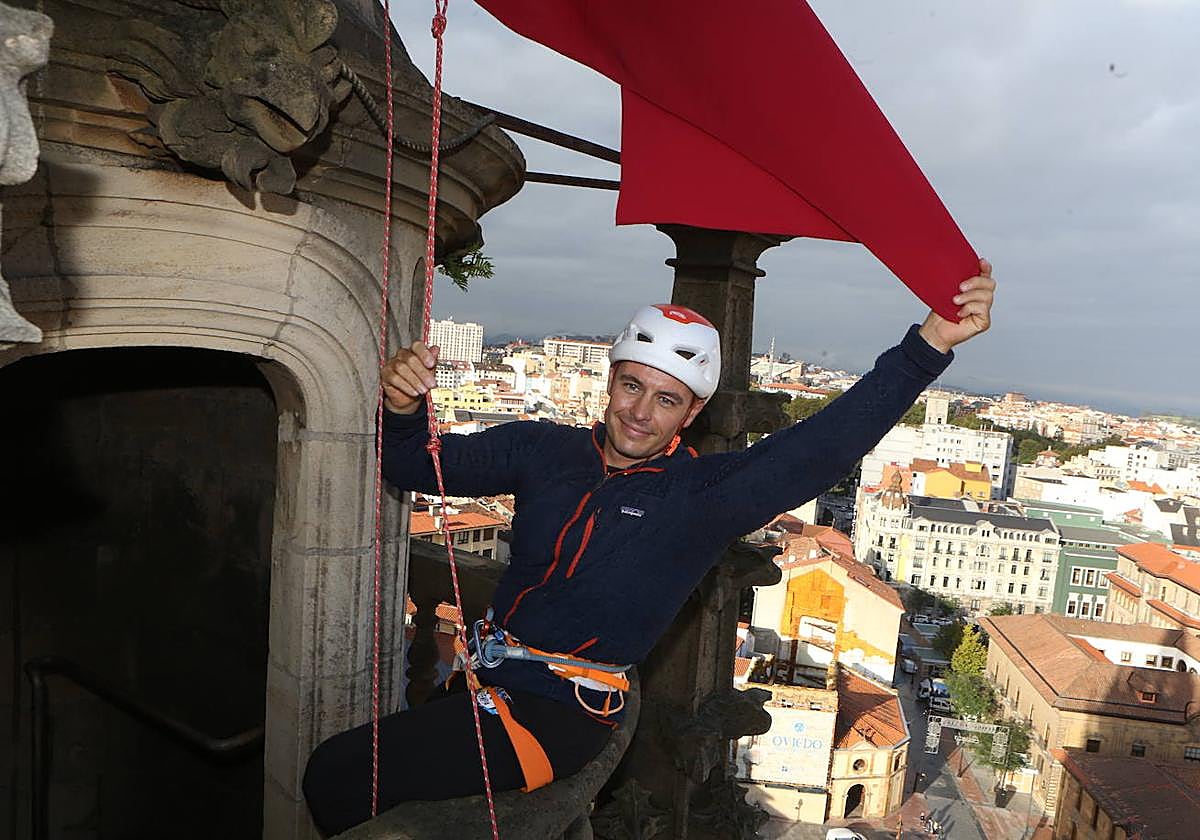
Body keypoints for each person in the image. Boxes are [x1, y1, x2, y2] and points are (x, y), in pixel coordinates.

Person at [302, 261, 996, 833]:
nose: (639, 412)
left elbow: (820, 448)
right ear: (609, 381)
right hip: (486, 681)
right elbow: (417, 465)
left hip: (557, 715)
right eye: (632, 385)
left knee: (335, 773)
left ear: (692, 413)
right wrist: (402, 407)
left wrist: (927, 346)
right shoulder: (543, 450)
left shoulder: (700, 497)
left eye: (666, 399)